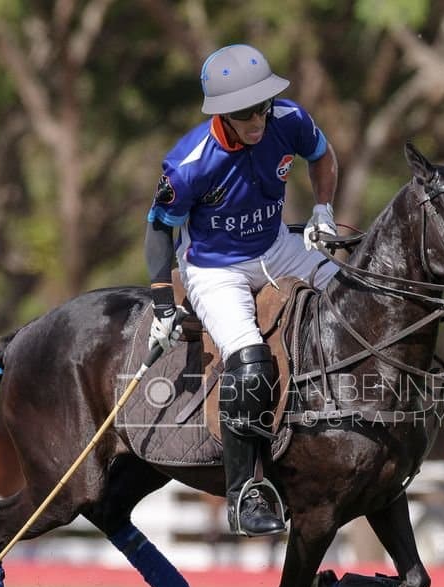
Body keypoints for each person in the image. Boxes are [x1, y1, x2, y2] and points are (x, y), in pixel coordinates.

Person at [144, 44, 339, 537]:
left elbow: (323, 156)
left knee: (353, 301)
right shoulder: (188, 164)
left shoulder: (288, 118)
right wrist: (164, 304)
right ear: (222, 114)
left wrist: (322, 210)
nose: (257, 119)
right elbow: (158, 230)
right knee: (250, 364)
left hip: (278, 247)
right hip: (215, 269)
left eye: (262, 106)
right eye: (244, 113)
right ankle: (244, 493)